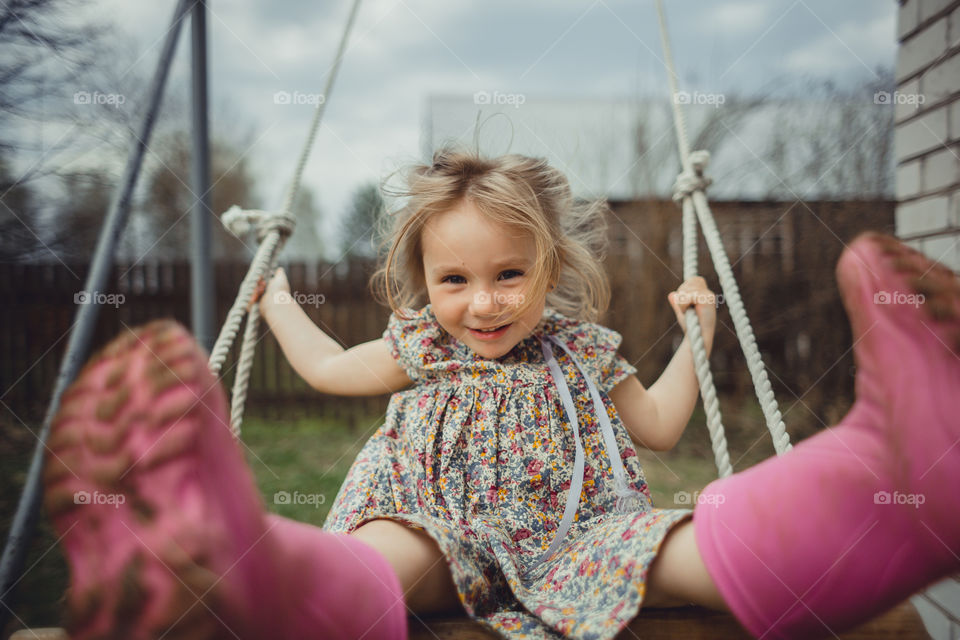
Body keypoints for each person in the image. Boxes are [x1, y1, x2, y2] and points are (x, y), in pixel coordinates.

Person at [43, 149, 959, 640]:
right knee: (384, 558)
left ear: (551, 267)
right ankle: (228, 575)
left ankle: (892, 489)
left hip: (580, 536)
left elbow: (662, 425)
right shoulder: (420, 343)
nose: (482, 303)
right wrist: (278, 303)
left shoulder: (583, 347)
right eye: (455, 281)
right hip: (436, 524)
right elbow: (328, 369)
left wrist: (697, 338)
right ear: (423, 281)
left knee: (689, 546)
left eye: (510, 273)